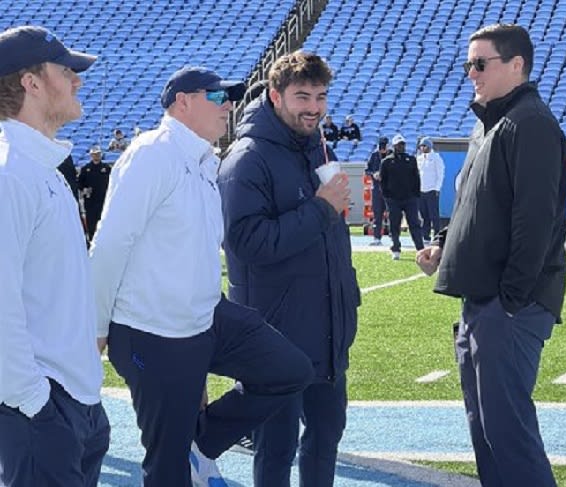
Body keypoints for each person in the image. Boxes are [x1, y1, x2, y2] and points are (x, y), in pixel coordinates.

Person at [89, 66, 313, 487]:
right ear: (183, 102)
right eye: (217, 95)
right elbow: (109, 245)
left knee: (289, 369)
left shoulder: (203, 160)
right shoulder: (152, 154)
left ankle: (201, 442)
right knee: (168, 468)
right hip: (153, 333)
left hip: (206, 317)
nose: (229, 104)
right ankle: (186, 450)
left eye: (230, 96)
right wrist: (96, 327)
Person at [416, 24, 566, 486]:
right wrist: (444, 243)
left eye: (480, 63)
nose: (472, 73)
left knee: (509, 435)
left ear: (516, 65)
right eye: (469, 64)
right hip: (482, 301)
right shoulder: (489, 124)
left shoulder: (531, 124)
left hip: (508, 305)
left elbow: (536, 220)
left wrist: (509, 300)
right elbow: (472, 203)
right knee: (486, 432)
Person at [217, 50, 359, 487]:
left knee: (326, 434)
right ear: (276, 96)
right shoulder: (248, 158)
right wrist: (319, 210)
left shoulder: (319, 147)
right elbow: (246, 243)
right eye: (302, 96)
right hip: (276, 335)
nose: (313, 107)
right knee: (276, 446)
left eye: (320, 96)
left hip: (328, 330)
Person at [0, 25, 109, 487]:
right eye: (66, 71)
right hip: (43, 408)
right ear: (32, 82)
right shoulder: (10, 173)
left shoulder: (41, 167)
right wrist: (35, 403)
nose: (77, 81)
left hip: (75, 401)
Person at [380, 133, 424, 259]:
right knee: (394, 224)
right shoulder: (387, 162)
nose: (401, 147)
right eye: (399, 144)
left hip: (410, 198)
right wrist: (387, 196)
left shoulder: (411, 160)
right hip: (394, 199)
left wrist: (416, 194)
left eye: (403, 144)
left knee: (414, 224)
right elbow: (383, 181)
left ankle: (420, 249)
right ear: (394, 146)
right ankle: (396, 248)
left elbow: (416, 178)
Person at [78, 145, 111, 241]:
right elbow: (79, 183)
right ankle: (91, 240)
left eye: (98, 154)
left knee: (104, 221)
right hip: (90, 201)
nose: (96, 156)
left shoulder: (107, 168)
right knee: (91, 223)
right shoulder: (85, 169)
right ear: (91, 155)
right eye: (94, 154)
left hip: (103, 201)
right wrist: (84, 190)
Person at [416, 136, 445, 243]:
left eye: (424, 146)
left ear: (429, 146)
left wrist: (437, 188)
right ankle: (426, 236)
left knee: (434, 214)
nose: (422, 148)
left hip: (432, 189)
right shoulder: (419, 158)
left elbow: (440, 173)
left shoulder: (436, 157)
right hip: (421, 190)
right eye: (421, 146)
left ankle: (437, 235)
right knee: (424, 215)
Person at [364, 136, 391, 245]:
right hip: (377, 189)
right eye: (381, 147)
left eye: (384, 146)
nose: (382, 149)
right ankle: (377, 238)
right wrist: (373, 174)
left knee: (392, 214)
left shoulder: (392, 156)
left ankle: (394, 237)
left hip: (389, 189)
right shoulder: (374, 156)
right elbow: (368, 170)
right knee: (377, 214)